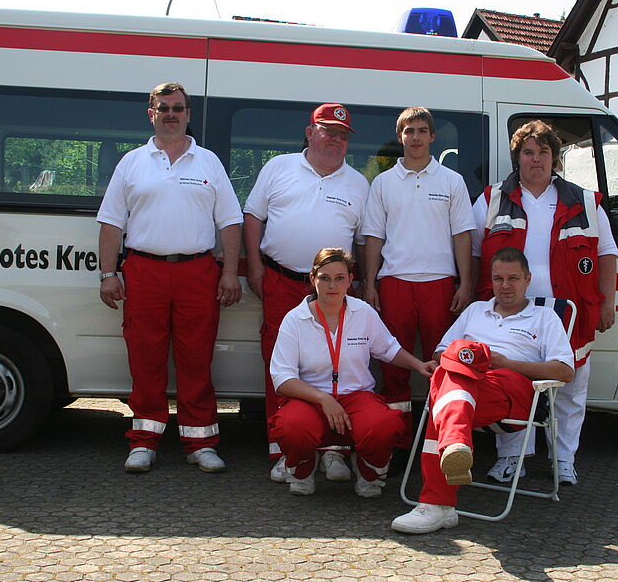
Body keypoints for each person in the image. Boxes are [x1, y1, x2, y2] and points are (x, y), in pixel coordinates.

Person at [97, 82, 243, 474]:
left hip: (198, 271)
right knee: (145, 358)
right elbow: (111, 222)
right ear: (152, 114)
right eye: (163, 108)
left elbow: (230, 221)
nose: (171, 114)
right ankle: (144, 442)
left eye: (178, 108)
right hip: (144, 270)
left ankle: (201, 443)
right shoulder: (132, 162)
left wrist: (230, 272)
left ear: (188, 114)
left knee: (197, 358)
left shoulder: (208, 162)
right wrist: (108, 273)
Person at [471, 119, 618, 486]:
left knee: (571, 388)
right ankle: (512, 458)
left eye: (543, 152)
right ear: (517, 157)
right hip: (511, 309)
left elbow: (606, 254)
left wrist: (607, 303)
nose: (535, 159)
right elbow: (473, 254)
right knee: (509, 382)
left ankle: (563, 460)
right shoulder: (491, 199)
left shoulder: (584, 201)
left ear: (555, 157)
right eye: (528, 152)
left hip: (568, 311)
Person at [391, 247, 574, 534]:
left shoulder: (544, 318)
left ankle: (436, 503)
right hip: (467, 390)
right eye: (498, 278)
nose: (505, 286)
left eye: (513, 278)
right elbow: (440, 353)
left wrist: (505, 363)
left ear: (528, 279)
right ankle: (453, 453)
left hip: (511, 389)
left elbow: (564, 371)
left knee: (443, 393)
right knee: (449, 375)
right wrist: (472, 360)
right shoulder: (475, 310)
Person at [243, 103, 370, 483]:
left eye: (343, 135)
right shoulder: (278, 167)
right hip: (282, 281)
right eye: (328, 131)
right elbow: (253, 218)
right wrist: (254, 267)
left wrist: (362, 283)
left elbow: (363, 243)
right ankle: (285, 450)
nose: (336, 140)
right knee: (280, 365)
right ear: (310, 132)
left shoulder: (358, 183)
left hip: (334, 290)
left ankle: (333, 450)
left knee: (337, 366)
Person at [268, 247, 435, 497]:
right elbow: (282, 379)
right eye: (324, 278)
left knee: (384, 424)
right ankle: (303, 470)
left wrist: (419, 365)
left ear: (350, 280)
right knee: (291, 426)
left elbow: (388, 349)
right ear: (312, 278)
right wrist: (323, 399)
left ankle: (368, 472)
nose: (332, 285)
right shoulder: (295, 319)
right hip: (310, 399)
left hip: (356, 397)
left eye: (339, 278)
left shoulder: (363, 312)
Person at [361, 106, 475, 444]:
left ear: (432, 136)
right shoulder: (383, 182)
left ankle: (439, 441)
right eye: (409, 131)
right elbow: (373, 237)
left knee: (441, 362)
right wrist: (370, 283)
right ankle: (396, 440)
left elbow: (462, 235)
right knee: (393, 365)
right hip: (394, 281)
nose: (415, 137)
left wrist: (466, 282)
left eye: (422, 130)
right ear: (400, 137)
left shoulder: (451, 180)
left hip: (440, 282)